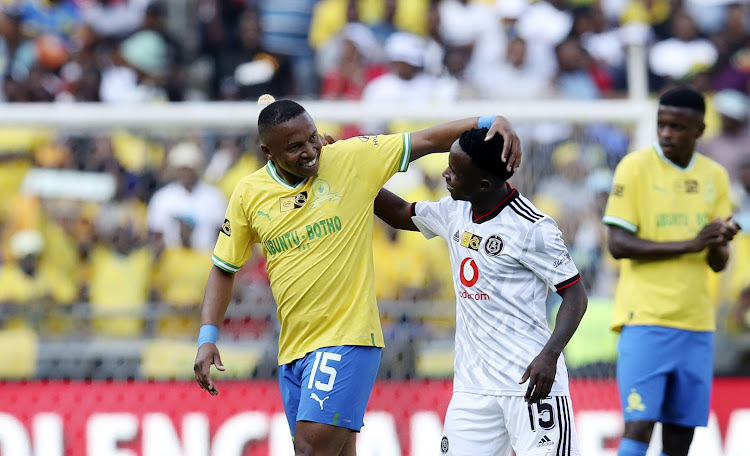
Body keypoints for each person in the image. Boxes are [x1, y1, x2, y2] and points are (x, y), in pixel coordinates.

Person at [193, 99, 522, 455]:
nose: (310, 152)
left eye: (312, 138)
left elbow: (427, 140)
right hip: (293, 350)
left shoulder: (351, 157)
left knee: (309, 449)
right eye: (294, 147)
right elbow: (224, 269)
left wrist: (490, 120)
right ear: (267, 152)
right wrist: (207, 337)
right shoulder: (249, 194)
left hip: (347, 338)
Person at [373, 127, 588, 455]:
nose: (446, 174)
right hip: (473, 388)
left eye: (455, 172)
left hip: (529, 381)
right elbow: (401, 213)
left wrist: (549, 356)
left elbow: (575, 295)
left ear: (484, 184)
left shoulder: (532, 228)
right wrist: (355, 180)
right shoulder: (454, 210)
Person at [602, 86, 739, 456]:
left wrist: (717, 242)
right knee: (639, 425)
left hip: (696, 323)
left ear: (699, 129)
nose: (666, 133)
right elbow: (618, 244)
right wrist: (692, 244)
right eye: (662, 124)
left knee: (680, 438)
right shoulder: (635, 167)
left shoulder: (715, 176)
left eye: (677, 126)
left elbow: (718, 261)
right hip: (646, 318)